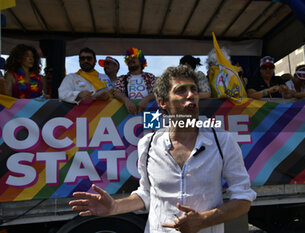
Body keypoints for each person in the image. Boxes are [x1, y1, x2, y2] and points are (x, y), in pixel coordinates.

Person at [69, 65, 256, 233]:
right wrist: (114, 208)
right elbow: (146, 194)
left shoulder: (222, 141)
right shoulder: (148, 144)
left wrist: (204, 220)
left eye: (194, 89)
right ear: (162, 102)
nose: (191, 95)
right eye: (181, 90)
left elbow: (243, 199)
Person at [114, 48, 156, 115]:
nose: (130, 59)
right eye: (128, 58)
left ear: (141, 61)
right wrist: (126, 101)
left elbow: (157, 91)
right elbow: (116, 93)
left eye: (133, 57)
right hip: (127, 114)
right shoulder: (121, 78)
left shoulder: (150, 76)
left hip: (149, 112)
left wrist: (146, 100)